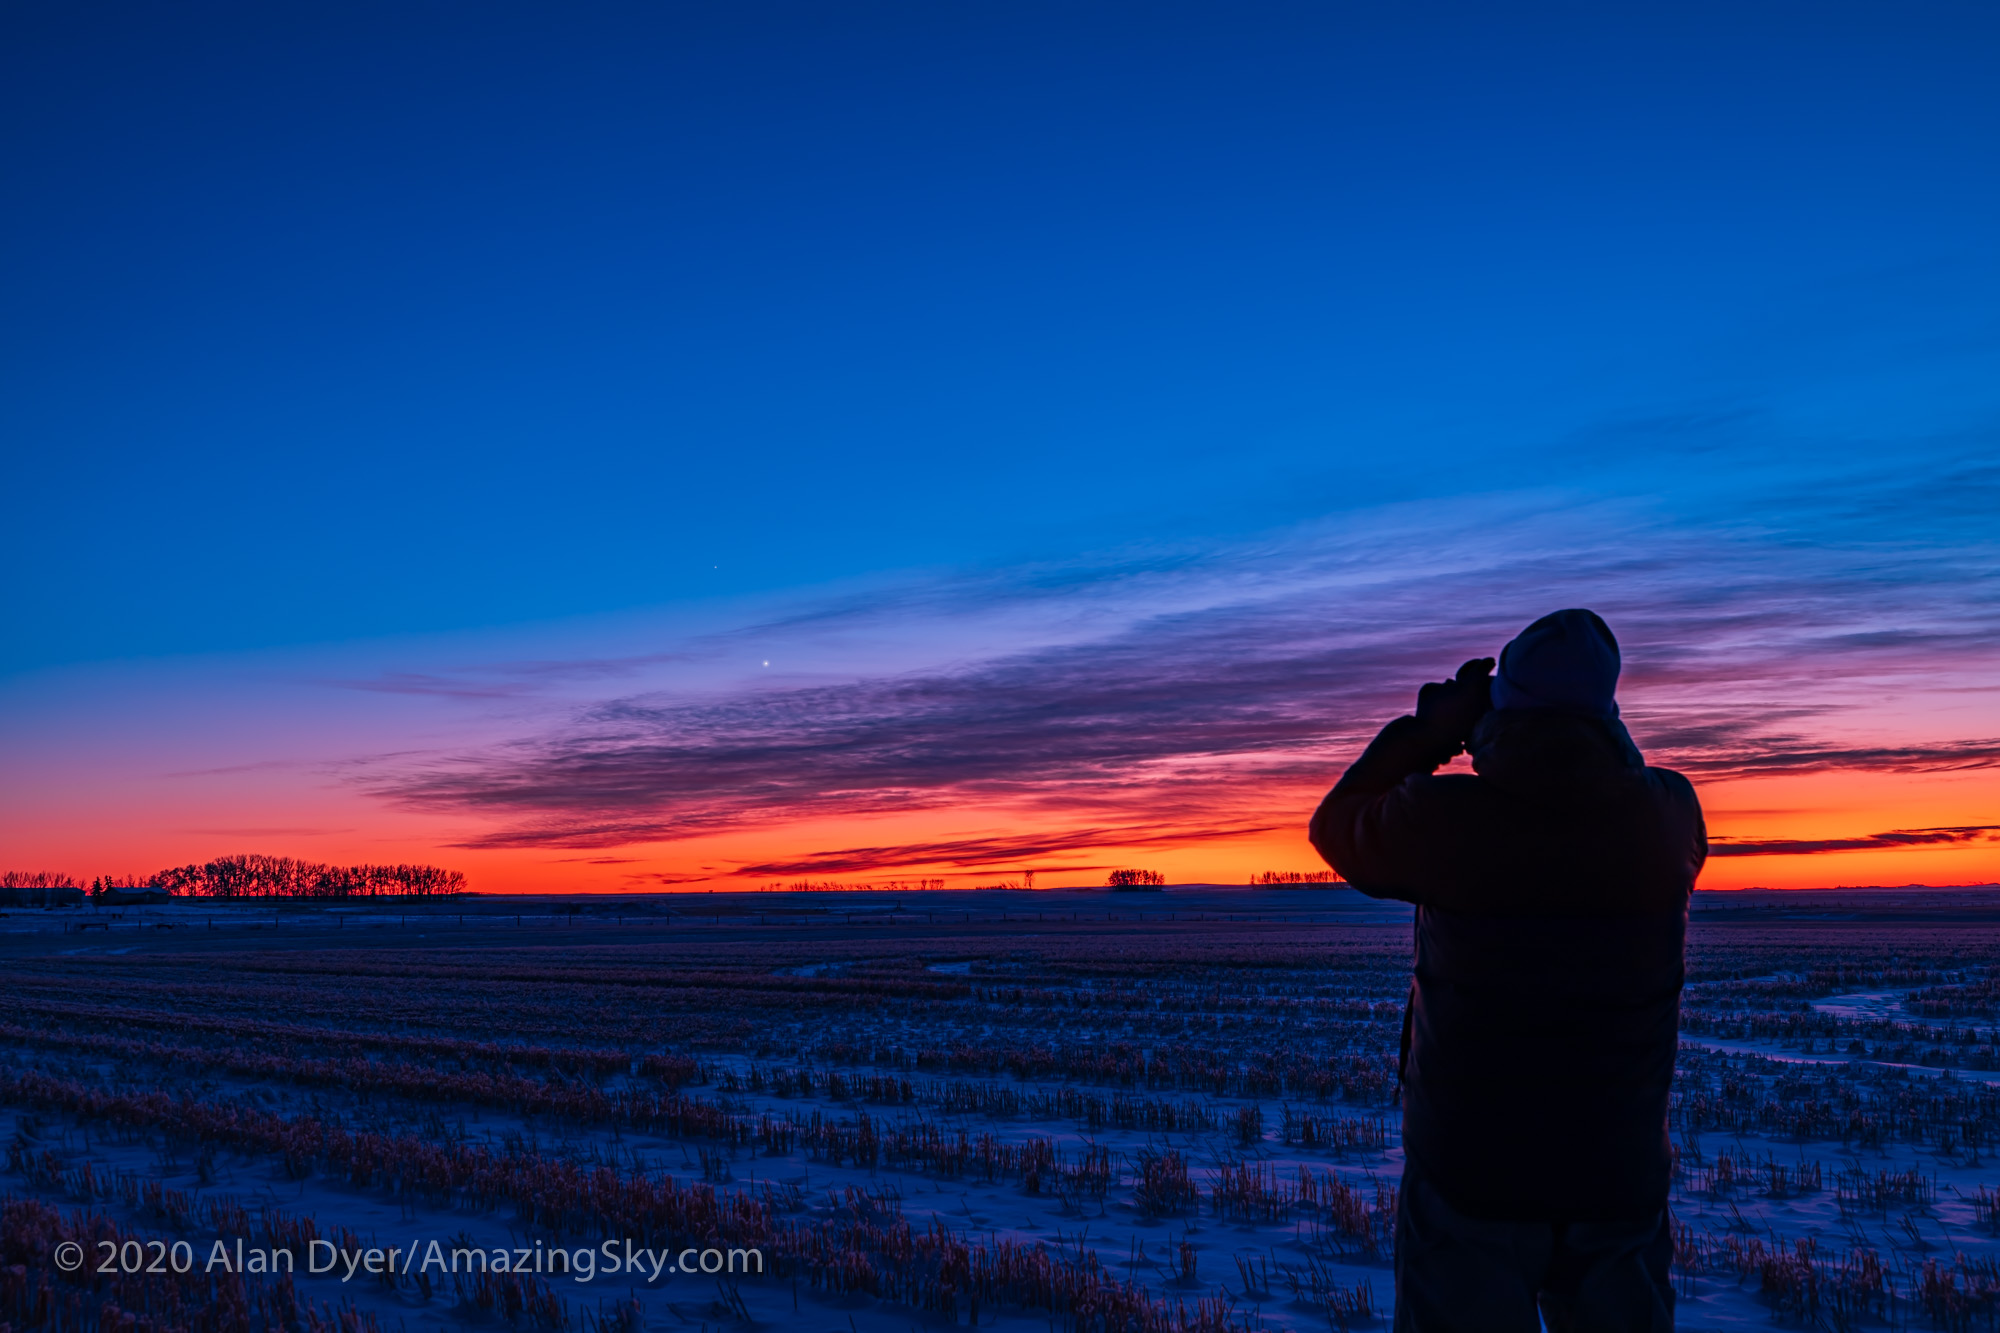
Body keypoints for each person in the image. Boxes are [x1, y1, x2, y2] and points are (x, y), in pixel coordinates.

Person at [1309, 609, 1706, 1333]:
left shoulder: (1446, 818)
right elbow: (1601, 786)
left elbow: (1337, 825)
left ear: (1504, 702)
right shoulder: (1670, 814)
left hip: (1471, 1172)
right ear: (1608, 708)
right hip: (1617, 1173)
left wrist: (1431, 732)